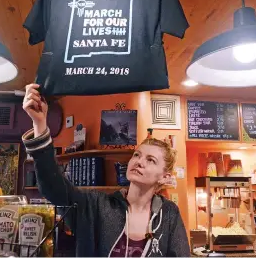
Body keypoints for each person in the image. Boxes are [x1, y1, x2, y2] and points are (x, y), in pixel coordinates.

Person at [22, 84, 190, 257]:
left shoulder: (169, 213)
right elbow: (53, 187)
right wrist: (40, 123)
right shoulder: (97, 205)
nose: (139, 162)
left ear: (164, 177)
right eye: (137, 155)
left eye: (151, 160)